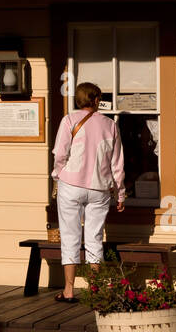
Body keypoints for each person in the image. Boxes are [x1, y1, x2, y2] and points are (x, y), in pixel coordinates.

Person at [51, 82, 125, 302]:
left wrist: (58, 174)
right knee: (94, 237)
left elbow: (60, 154)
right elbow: (117, 164)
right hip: (99, 187)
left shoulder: (69, 120)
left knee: (70, 235)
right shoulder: (110, 125)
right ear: (96, 99)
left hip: (71, 185)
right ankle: (96, 289)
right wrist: (120, 194)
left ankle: (69, 290)